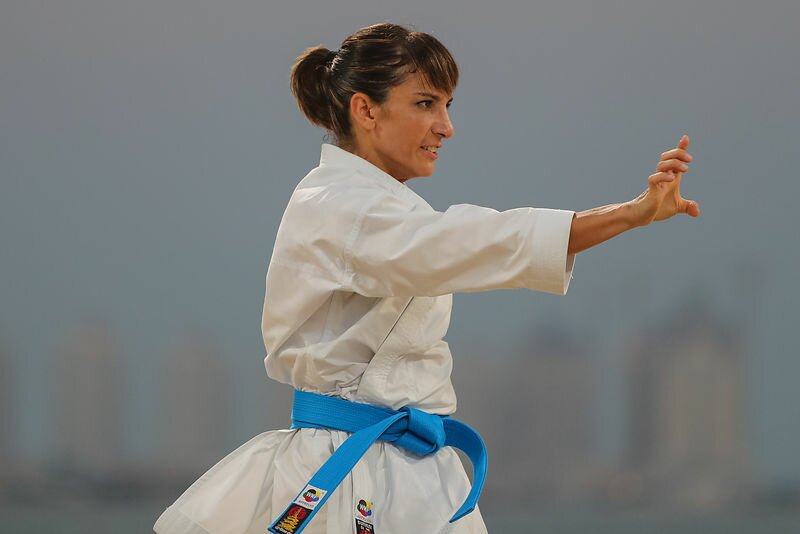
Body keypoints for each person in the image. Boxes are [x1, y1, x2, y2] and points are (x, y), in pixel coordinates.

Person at [153, 22, 698, 534]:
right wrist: (629, 214)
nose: (447, 126)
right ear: (366, 110)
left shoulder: (373, 205)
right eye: (425, 104)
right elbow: (469, 242)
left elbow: (454, 244)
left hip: (410, 466)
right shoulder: (341, 207)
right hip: (348, 472)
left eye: (447, 105)